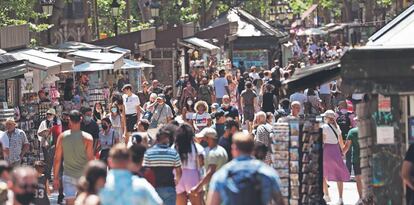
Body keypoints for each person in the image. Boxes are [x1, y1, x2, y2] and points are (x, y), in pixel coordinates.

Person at [206, 132, 285, 205]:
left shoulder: (222, 174)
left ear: (234, 148)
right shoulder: (267, 172)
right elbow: (279, 202)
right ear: (253, 150)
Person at [53, 110, 94, 205]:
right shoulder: (88, 138)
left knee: (70, 202)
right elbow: (90, 159)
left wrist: (55, 178)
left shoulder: (62, 137)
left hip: (68, 176)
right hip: (83, 176)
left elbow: (57, 159)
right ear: (81, 120)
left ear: (69, 120)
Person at [143, 125, 182, 205]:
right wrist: (176, 181)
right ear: (167, 139)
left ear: (156, 138)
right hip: (169, 187)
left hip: (153, 189)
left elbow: (144, 171)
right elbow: (179, 171)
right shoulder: (173, 153)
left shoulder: (149, 153)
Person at [322, 110, 350, 204]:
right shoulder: (337, 127)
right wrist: (343, 153)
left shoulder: (324, 127)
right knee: (339, 175)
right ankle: (341, 198)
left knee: (323, 174)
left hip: (326, 150)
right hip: (336, 151)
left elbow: (323, 140)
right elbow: (341, 143)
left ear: (327, 118)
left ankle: (326, 195)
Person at [173, 124, 204, 205]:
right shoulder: (196, 147)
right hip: (192, 175)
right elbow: (201, 164)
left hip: (177, 175)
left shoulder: (174, 147)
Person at [191, 128, 228, 196]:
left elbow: (210, 172)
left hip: (214, 190)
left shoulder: (213, 154)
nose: (201, 141)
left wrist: (198, 187)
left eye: (203, 138)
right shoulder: (222, 150)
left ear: (208, 139)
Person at [37, 108, 61, 180]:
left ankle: (56, 176)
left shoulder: (58, 123)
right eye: (47, 114)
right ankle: (48, 176)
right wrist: (45, 133)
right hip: (46, 145)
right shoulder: (43, 123)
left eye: (50, 114)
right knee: (48, 161)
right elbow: (39, 133)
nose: (48, 115)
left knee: (56, 161)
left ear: (54, 115)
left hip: (56, 144)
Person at [343, 117, 362, 204]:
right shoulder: (371, 130)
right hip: (369, 158)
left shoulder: (352, 132)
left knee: (358, 179)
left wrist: (341, 154)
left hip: (357, 159)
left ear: (357, 121)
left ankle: (361, 198)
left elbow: (346, 147)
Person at [336, 101, 356, 173]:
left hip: (338, 138)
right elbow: (354, 126)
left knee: (338, 156)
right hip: (348, 138)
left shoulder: (336, 115)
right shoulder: (351, 115)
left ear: (340, 106)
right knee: (348, 156)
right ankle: (348, 173)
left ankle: (338, 172)